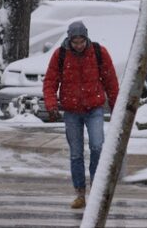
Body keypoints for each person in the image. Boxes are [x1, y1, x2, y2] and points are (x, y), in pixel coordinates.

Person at [42, 20, 119, 209]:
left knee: (97, 147)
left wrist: (117, 107)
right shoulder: (60, 55)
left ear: (86, 38)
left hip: (94, 109)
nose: (78, 45)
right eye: (75, 42)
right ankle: (80, 193)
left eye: (81, 42)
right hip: (71, 111)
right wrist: (51, 105)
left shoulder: (99, 53)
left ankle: (96, 188)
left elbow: (111, 81)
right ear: (69, 40)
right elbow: (50, 82)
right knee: (76, 154)